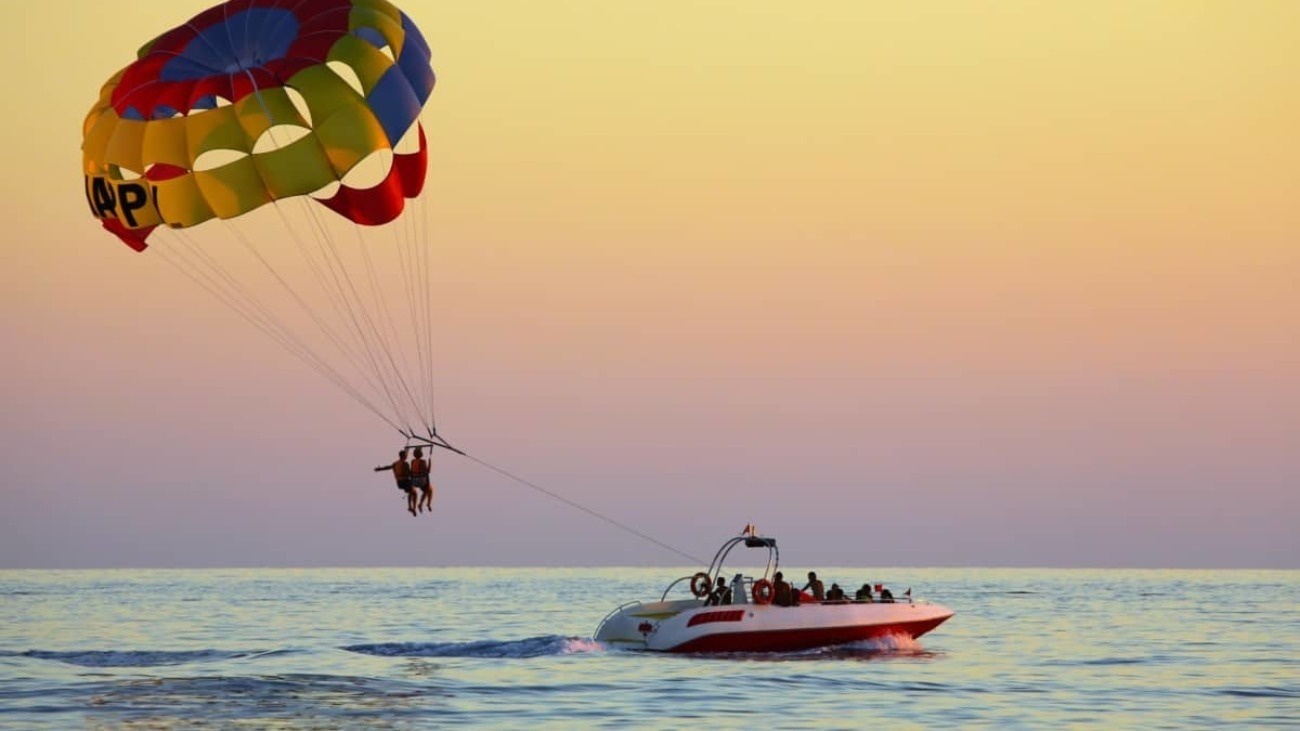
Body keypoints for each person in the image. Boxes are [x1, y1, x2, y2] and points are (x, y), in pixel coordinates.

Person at [375, 449, 415, 516]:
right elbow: (409, 473)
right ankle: (412, 507)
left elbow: (388, 467)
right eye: (406, 455)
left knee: (411, 491)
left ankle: (410, 507)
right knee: (414, 492)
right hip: (405, 482)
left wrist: (380, 469)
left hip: (399, 484)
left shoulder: (395, 463)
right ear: (404, 456)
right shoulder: (405, 464)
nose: (407, 456)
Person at [410, 447, 433, 514]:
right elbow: (428, 471)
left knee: (429, 489)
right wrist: (430, 462)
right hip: (421, 481)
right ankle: (422, 504)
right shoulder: (423, 461)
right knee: (428, 490)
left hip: (414, 481)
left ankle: (427, 504)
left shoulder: (412, 461)